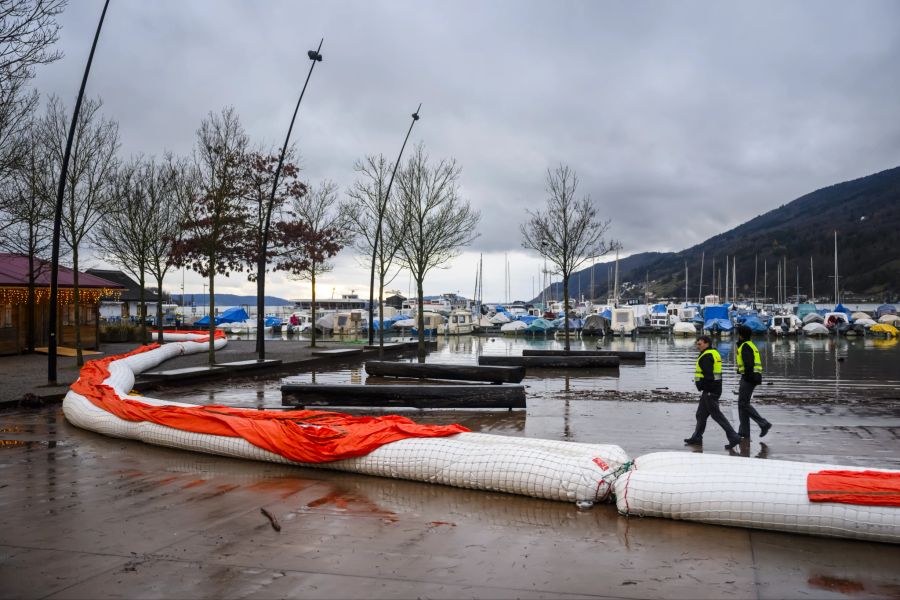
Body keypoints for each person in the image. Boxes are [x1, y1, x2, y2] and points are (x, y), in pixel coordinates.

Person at [684, 335, 742, 450]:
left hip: (710, 390)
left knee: (717, 416)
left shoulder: (706, 356)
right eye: (697, 343)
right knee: (700, 414)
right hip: (713, 388)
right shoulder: (714, 353)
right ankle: (697, 437)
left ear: (707, 344)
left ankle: (734, 436)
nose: (697, 346)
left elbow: (709, 376)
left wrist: (703, 387)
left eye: (699, 344)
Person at [736, 325, 771, 439]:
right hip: (752, 376)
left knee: (743, 404)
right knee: (742, 404)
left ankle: (763, 423)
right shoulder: (749, 344)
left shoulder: (745, 346)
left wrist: (746, 376)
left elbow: (749, 364)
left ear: (741, 335)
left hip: (749, 377)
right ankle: (744, 431)